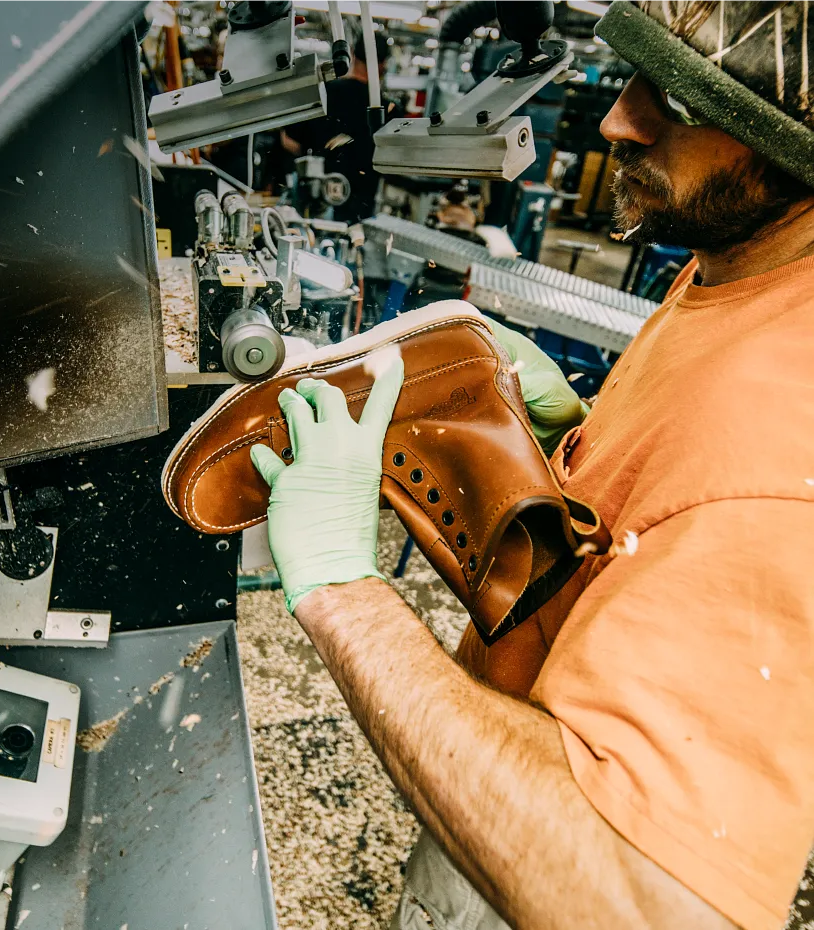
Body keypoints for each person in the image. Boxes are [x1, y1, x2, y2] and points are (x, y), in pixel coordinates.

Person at [250, 1, 814, 928]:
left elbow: (643, 903)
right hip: (510, 772)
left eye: (676, 98)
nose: (618, 120)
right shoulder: (742, 260)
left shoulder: (785, 468)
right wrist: (571, 446)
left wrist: (345, 589)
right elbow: (681, 526)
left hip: (542, 863)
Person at [282, 33, 392, 223]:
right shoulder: (385, 108)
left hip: (313, 202)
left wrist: (314, 154)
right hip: (360, 211)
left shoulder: (324, 92)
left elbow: (288, 140)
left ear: (351, 54)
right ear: (383, 65)